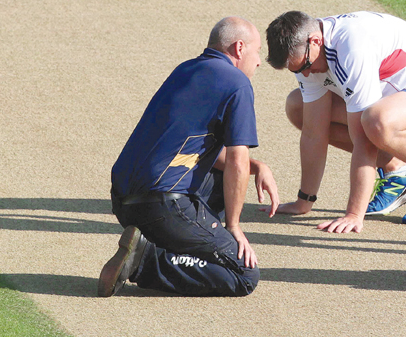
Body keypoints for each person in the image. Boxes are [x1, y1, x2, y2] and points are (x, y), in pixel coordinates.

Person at [97, 17, 279, 297]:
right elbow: (236, 162)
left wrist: (258, 166)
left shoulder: (185, 70)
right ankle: (145, 260)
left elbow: (197, 146)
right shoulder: (237, 84)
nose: (258, 62)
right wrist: (234, 227)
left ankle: (184, 244)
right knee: (244, 273)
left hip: (123, 202)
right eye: (257, 52)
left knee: (218, 183)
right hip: (161, 207)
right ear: (239, 48)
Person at [264, 10, 406, 232]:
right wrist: (304, 201)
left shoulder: (352, 48)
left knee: (375, 120)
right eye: (295, 70)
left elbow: (363, 141)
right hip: (395, 98)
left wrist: (354, 214)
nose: (305, 75)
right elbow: (313, 132)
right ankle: (397, 172)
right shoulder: (306, 52)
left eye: (304, 67)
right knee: (299, 107)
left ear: (316, 40)